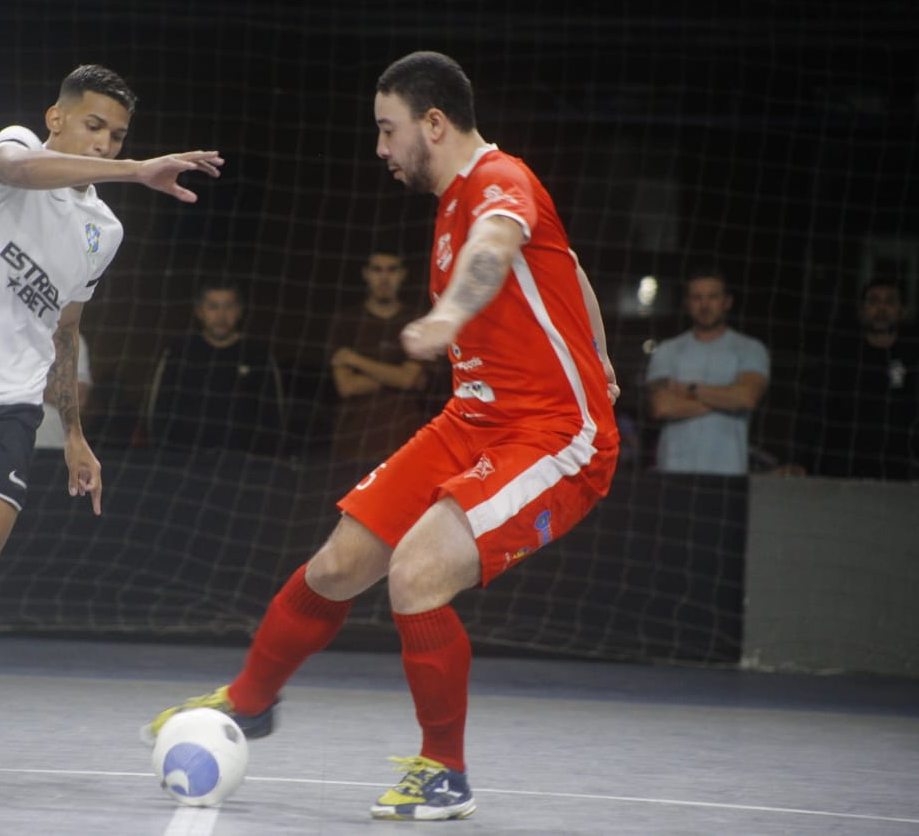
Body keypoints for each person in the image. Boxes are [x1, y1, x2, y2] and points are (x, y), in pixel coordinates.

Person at [141, 51, 620, 822]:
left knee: (416, 573)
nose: (380, 148)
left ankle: (446, 771)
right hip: (474, 419)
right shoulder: (451, 205)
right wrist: (601, 354)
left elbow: (496, 251)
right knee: (338, 562)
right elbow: (571, 271)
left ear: (435, 123)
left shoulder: (500, 183)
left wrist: (449, 317)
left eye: (387, 129)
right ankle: (250, 701)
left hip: (557, 435)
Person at [0, 65, 223, 715]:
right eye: (94, 126)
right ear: (55, 118)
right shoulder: (10, 155)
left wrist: (72, 434)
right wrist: (139, 170)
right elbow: (23, 171)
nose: (105, 144)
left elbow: (67, 330)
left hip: (7, 404)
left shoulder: (104, 232)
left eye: (118, 137)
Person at [645, 268, 769, 475]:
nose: (704, 305)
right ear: (687, 304)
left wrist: (689, 389)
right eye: (697, 297)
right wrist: (727, 399)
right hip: (673, 471)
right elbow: (661, 406)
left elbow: (747, 398)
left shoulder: (750, 349)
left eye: (712, 297)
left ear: (727, 302)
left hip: (729, 473)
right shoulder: (668, 350)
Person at [146, 280, 286, 454]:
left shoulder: (259, 356)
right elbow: (160, 408)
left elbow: (273, 416)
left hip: (244, 465)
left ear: (240, 310)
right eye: (213, 307)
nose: (221, 316)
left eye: (228, 306)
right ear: (199, 311)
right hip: (183, 461)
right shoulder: (179, 352)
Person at [799, 279, 918, 479]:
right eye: (873, 301)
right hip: (844, 464)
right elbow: (813, 410)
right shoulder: (841, 356)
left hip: (900, 467)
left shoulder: (912, 357)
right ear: (861, 311)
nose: (881, 308)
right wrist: (802, 459)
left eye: (889, 301)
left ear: (903, 311)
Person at [327, 251, 428, 462]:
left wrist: (355, 360)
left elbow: (409, 380)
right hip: (354, 443)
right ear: (366, 274)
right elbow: (347, 386)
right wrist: (396, 375)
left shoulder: (417, 321)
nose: (384, 277)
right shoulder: (346, 321)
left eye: (391, 270)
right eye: (377, 270)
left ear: (403, 274)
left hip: (406, 440)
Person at [35, 333, 93, 450]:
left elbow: (77, 397)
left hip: (52, 448)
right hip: (2, 446)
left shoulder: (69, 336)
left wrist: (22, 385)